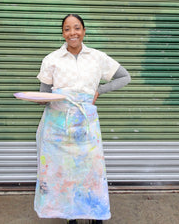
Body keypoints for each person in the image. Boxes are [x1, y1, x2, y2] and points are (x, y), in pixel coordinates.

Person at [34, 14, 131, 223]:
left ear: (84, 31)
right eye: (67, 29)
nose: (72, 33)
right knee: (66, 174)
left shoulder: (97, 57)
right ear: (62, 33)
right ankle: (72, 216)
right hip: (58, 126)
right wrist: (41, 99)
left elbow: (125, 77)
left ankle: (96, 215)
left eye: (76, 28)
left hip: (86, 125)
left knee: (91, 173)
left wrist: (100, 91)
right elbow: (44, 93)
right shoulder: (51, 59)